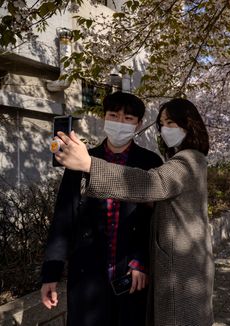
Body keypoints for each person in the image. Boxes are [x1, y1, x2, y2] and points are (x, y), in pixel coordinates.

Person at [54, 98, 214, 326]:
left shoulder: (187, 160)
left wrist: (90, 165)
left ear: (188, 124)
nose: (166, 129)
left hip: (180, 269)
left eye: (171, 122)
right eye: (162, 123)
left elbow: (152, 183)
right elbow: (64, 217)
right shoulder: (189, 159)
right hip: (97, 274)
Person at [40, 92, 163, 326]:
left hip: (131, 274)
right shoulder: (82, 159)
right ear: (104, 118)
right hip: (87, 273)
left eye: (128, 118)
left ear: (137, 124)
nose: (119, 122)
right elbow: (64, 217)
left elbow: (155, 221)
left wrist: (141, 261)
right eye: (113, 115)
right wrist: (51, 274)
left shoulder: (150, 162)